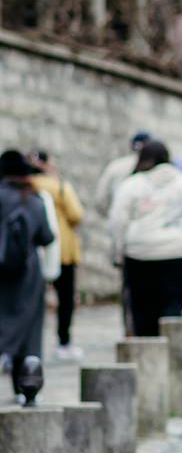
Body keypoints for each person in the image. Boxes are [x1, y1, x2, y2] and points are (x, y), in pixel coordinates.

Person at [109, 140, 182, 338]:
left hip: (141, 254)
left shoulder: (131, 186)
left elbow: (117, 221)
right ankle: (173, 352)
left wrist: (117, 252)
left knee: (143, 309)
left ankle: (148, 355)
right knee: (176, 307)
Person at [0, 150, 55, 404]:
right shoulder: (34, 199)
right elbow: (47, 237)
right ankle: (25, 389)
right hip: (28, 275)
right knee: (29, 333)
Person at [31, 151, 85, 360]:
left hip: (35, 252)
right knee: (65, 299)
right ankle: (64, 341)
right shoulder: (60, 186)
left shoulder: (28, 187)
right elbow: (76, 214)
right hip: (62, 249)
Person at [94, 130, 151, 218]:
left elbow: (101, 199)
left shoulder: (116, 166)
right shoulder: (152, 170)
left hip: (116, 219)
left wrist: (112, 215)